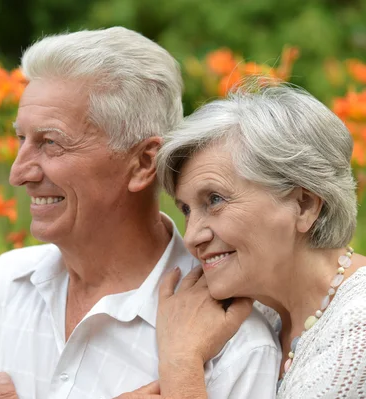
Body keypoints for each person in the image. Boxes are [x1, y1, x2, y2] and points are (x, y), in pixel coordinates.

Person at [0, 28, 281, 399]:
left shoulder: (234, 343)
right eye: (21, 140)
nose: (18, 173)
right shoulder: (8, 285)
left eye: (50, 143)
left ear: (144, 162)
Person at [154, 83, 366, 398]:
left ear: (303, 205)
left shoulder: (358, 329)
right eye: (186, 209)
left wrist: (181, 365)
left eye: (214, 199)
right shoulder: (256, 314)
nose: (192, 237)